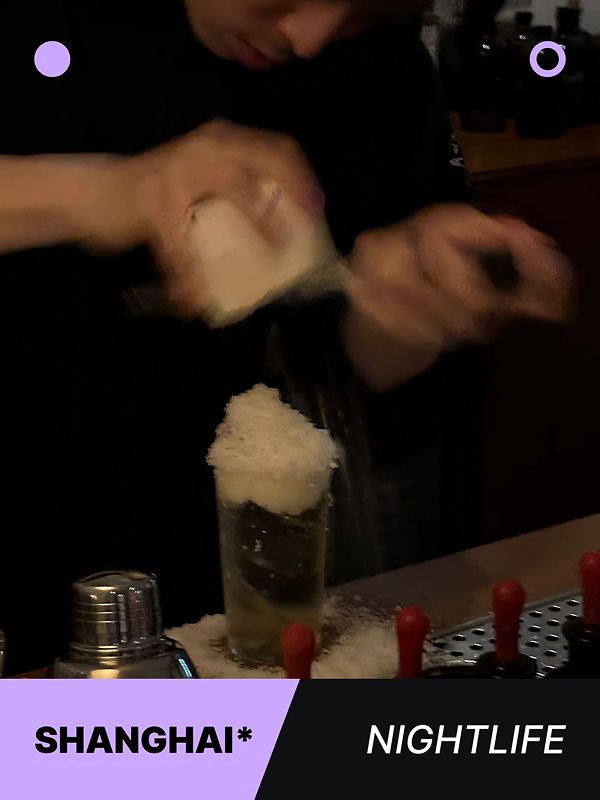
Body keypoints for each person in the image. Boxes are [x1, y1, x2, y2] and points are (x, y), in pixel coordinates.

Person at [0, 0, 569, 675]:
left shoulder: (379, 69)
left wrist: (411, 309)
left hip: (237, 587)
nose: (308, 37)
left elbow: (348, 371)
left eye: (361, 14)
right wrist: (100, 194)